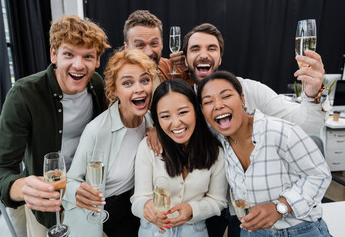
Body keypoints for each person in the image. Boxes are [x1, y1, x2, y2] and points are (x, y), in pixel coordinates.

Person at [0, 15, 109, 236]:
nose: (79, 65)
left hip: (86, 196)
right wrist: (23, 188)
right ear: (54, 54)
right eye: (69, 54)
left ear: (98, 60)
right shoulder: (23, 94)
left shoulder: (97, 84)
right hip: (48, 206)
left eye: (88, 56)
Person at [197, 70, 332, 237]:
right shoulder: (217, 139)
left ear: (242, 99)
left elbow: (319, 175)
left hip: (299, 231)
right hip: (252, 232)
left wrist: (281, 206)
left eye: (226, 96)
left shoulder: (281, 131)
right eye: (208, 102)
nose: (218, 105)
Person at [62, 48, 157, 237]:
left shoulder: (150, 121)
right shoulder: (97, 130)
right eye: (128, 83)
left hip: (131, 207)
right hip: (97, 212)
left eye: (144, 80)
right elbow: (70, 181)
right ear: (114, 89)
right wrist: (77, 192)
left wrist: (158, 132)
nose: (139, 88)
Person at [182, 23, 330, 135]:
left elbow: (307, 125)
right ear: (186, 61)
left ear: (220, 58)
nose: (203, 55)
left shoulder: (251, 90)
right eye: (195, 49)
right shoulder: (182, 101)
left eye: (211, 48)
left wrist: (312, 94)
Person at [131, 79, 227, 237]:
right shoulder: (148, 148)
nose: (176, 123)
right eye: (165, 116)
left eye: (183, 112)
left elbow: (218, 201)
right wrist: (146, 206)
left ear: (196, 110)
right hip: (154, 232)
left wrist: (192, 210)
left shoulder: (215, 152)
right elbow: (137, 200)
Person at [123, 9, 193, 92]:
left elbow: (196, 91)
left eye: (154, 44)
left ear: (161, 44)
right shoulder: (117, 80)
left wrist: (188, 69)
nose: (149, 53)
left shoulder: (168, 67)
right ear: (126, 48)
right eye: (140, 45)